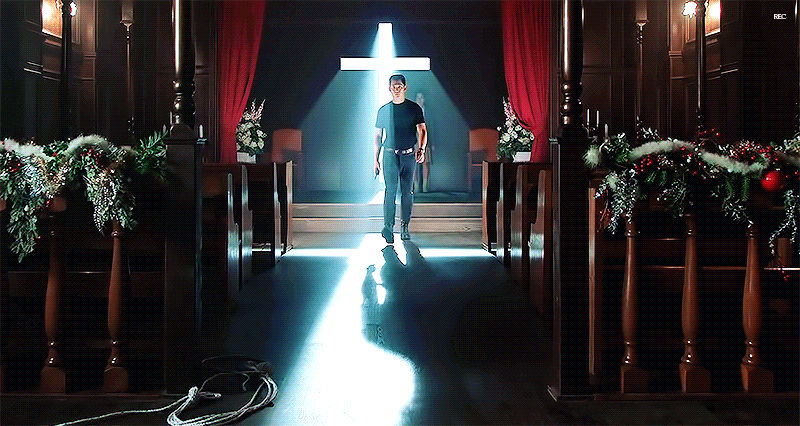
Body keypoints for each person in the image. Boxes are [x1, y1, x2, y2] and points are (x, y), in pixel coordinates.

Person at [374, 74, 427, 243]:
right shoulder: (384, 110)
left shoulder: (414, 109)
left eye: (399, 86)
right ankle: (388, 226)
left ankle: (404, 226)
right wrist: (375, 159)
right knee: (390, 191)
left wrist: (422, 149)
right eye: (393, 87)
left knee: (407, 191)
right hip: (389, 154)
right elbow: (377, 135)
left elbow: (422, 130)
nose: (396, 90)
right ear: (389, 88)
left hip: (409, 155)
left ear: (405, 87)